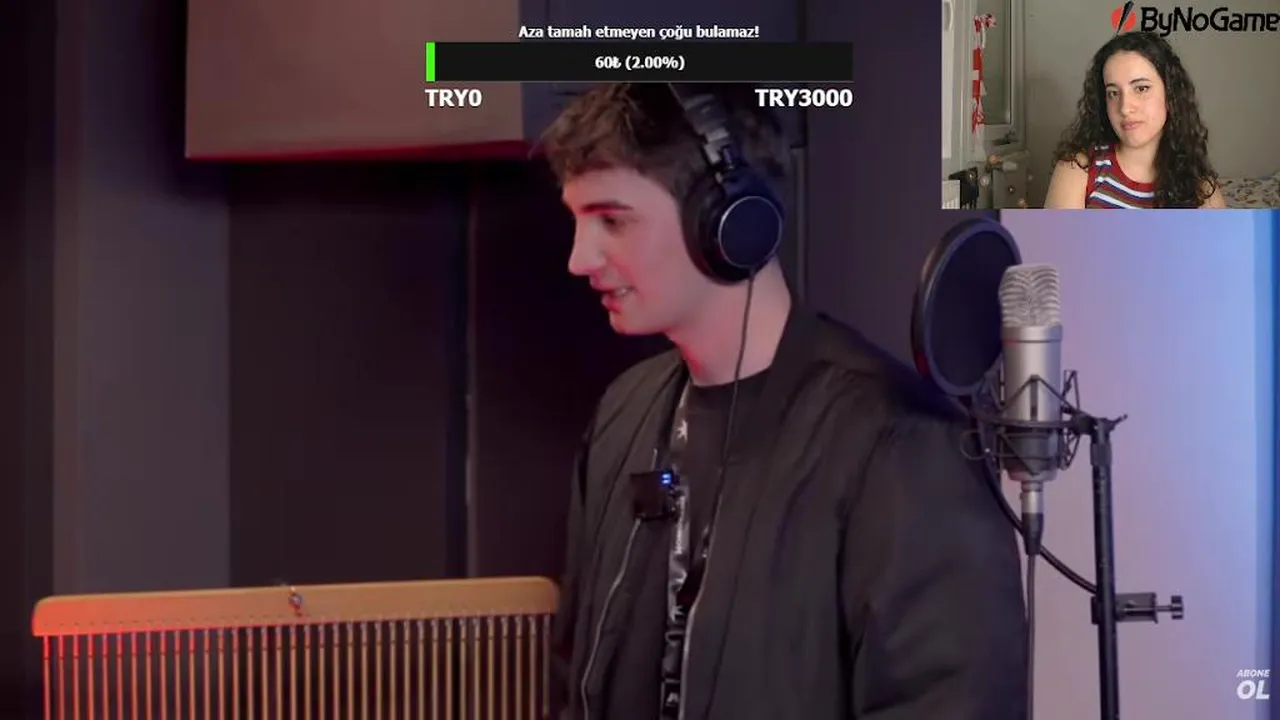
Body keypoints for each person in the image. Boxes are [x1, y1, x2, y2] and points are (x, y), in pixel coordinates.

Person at [539, 83, 1028, 719]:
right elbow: (572, 680)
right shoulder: (621, 417)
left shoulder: (898, 443)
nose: (579, 259)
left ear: (730, 221)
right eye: (576, 221)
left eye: (612, 220)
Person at [1044, 31, 1223, 209]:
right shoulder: (1078, 168)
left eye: (1141, 88)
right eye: (1113, 93)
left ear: (1171, 94)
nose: (1124, 108)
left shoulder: (1202, 191)